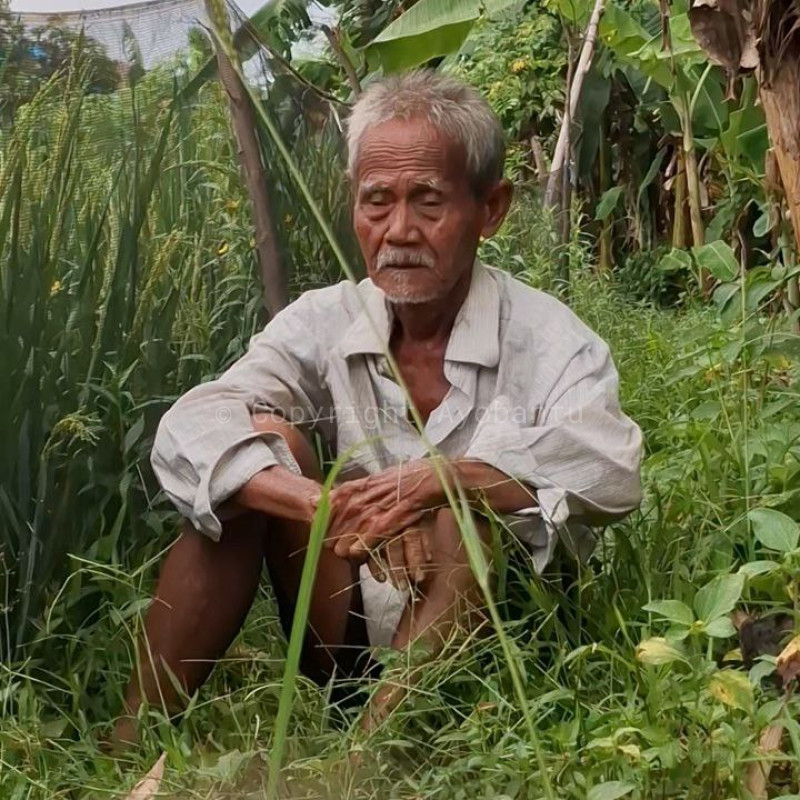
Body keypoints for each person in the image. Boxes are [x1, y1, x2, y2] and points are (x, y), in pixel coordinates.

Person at [114, 70, 643, 743]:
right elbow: (190, 427)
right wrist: (319, 503)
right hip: (347, 635)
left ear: (491, 208)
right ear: (352, 205)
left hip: (502, 658)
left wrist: (441, 482)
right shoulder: (326, 320)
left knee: (463, 518)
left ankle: (360, 768)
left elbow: (614, 468)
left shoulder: (550, 340)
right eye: (376, 202)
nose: (399, 231)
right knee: (254, 453)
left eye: (428, 202)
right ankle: (128, 750)